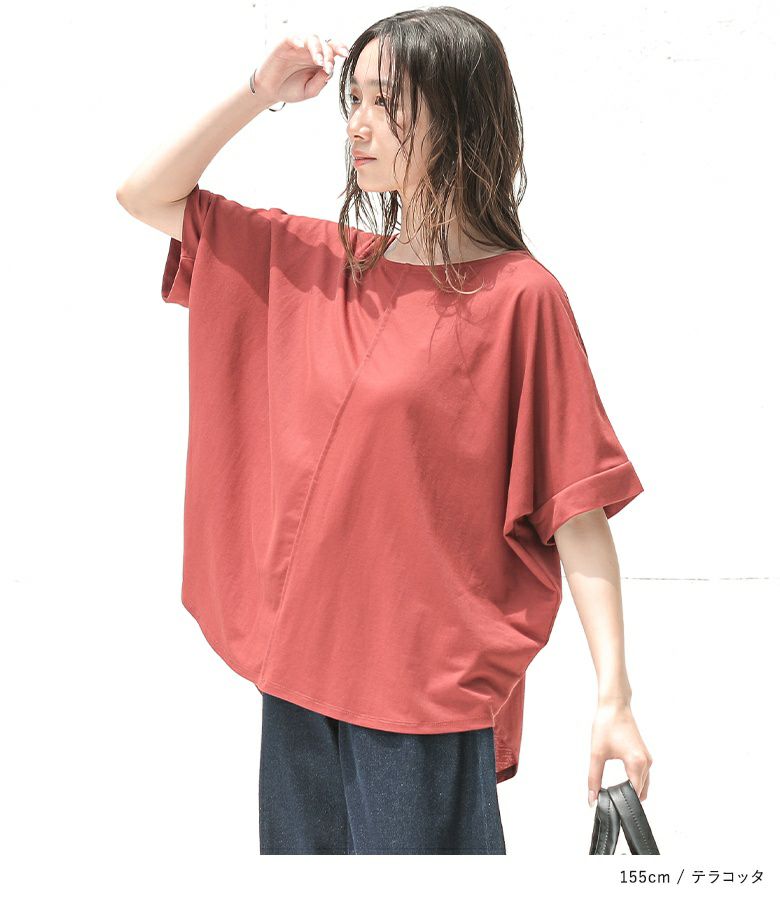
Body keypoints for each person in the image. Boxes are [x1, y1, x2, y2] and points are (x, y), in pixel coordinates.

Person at [116, 7, 653, 855]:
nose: (357, 125)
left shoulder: (521, 298)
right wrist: (260, 90)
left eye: (387, 102)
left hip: (421, 696)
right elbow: (144, 194)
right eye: (353, 100)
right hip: (300, 680)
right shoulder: (312, 261)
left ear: (459, 114)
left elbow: (576, 510)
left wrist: (613, 697)